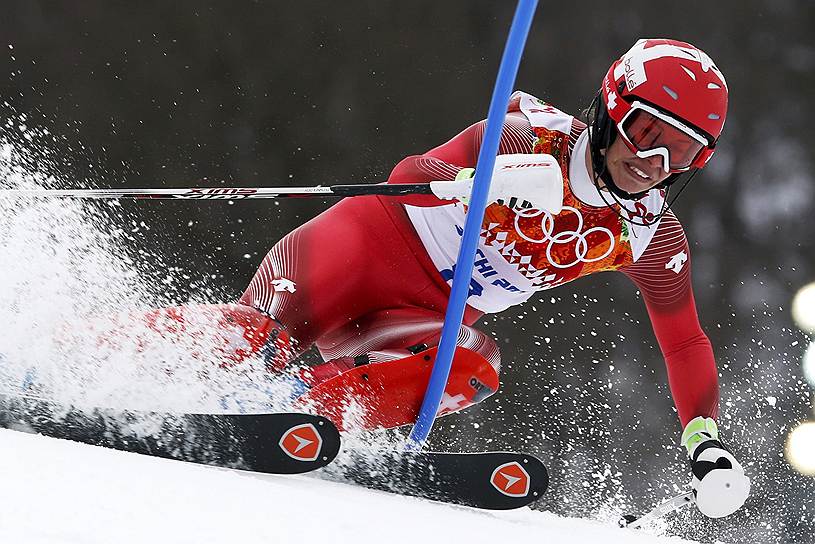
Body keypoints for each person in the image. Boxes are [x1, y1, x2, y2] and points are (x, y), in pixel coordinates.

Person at [153, 38, 750, 518]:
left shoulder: (649, 235)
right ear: (613, 109)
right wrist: (489, 178)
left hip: (421, 314)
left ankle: (309, 417)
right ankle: (92, 354)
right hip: (360, 250)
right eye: (647, 134)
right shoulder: (529, 132)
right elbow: (413, 171)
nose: (652, 162)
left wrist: (704, 436)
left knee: (474, 366)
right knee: (251, 336)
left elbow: (685, 341)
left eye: (679, 152)